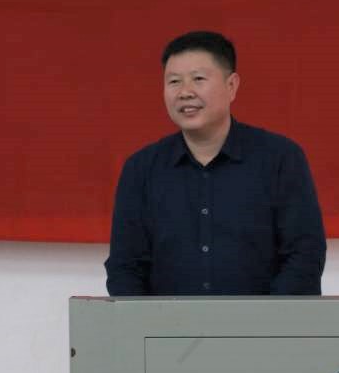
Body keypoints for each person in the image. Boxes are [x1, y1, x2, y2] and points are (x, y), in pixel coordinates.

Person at [105, 31, 326, 295]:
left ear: (231, 86)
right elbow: (125, 266)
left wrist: (267, 318)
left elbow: (304, 256)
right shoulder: (141, 169)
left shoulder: (280, 158)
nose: (185, 92)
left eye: (198, 79)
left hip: (263, 321)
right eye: (174, 81)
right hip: (166, 322)